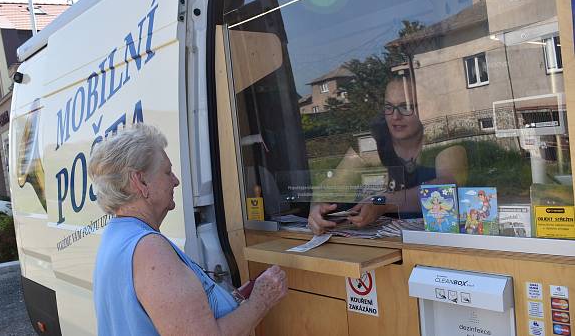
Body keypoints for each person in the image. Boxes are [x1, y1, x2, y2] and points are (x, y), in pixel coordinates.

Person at [90, 124, 288, 335]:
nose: (175, 181)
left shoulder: (117, 235)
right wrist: (261, 300)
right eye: (167, 172)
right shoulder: (149, 250)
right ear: (140, 181)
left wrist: (235, 299)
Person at [308, 78, 467, 235]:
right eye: (388, 107)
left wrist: (384, 203)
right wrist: (318, 208)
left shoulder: (445, 144)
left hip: (433, 247)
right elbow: (332, 185)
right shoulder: (376, 145)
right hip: (381, 248)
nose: (395, 116)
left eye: (405, 107)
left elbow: (447, 189)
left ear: (425, 109)